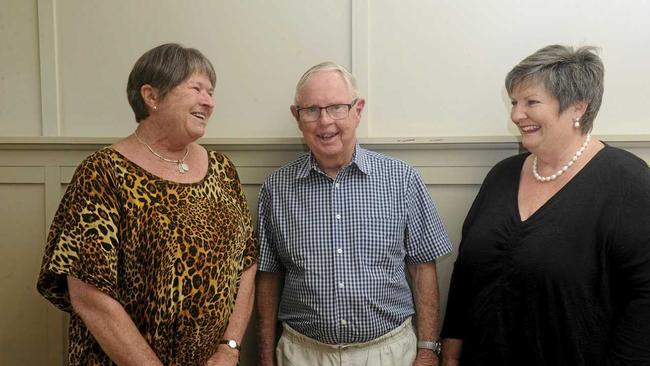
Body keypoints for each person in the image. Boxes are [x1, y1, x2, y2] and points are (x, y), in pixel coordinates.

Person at [36, 43, 257, 366]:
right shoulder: (102, 172)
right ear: (151, 96)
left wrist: (229, 347)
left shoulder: (223, 170)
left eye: (211, 91)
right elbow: (89, 295)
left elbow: (246, 261)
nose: (209, 102)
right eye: (196, 88)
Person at [440, 45, 650, 365]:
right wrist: (451, 354)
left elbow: (644, 300)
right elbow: (466, 273)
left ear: (578, 107)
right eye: (514, 102)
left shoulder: (628, 182)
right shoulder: (502, 175)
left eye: (531, 102)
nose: (515, 114)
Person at [256, 61, 453, 366]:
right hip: (302, 354)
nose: (325, 122)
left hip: (390, 353)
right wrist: (266, 354)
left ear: (358, 110)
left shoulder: (401, 179)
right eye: (311, 110)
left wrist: (428, 349)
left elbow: (422, 267)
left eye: (337, 107)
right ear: (297, 117)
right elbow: (269, 276)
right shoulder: (276, 188)